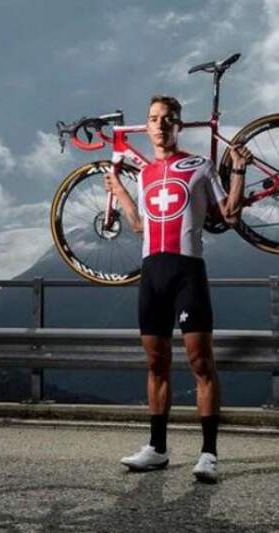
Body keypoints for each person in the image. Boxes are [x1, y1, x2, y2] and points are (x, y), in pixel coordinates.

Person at [104, 94, 251, 483]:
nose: (161, 124)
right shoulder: (145, 174)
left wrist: (238, 170)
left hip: (187, 272)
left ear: (178, 125)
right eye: (154, 118)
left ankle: (209, 454)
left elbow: (230, 216)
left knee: (201, 362)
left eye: (168, 118)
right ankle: (157, 449)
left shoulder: (199, 166)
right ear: (148, 125)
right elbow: (139, 226)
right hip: (152, 273)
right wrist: (118, 191)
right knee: (156, 363)